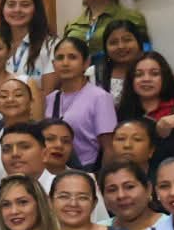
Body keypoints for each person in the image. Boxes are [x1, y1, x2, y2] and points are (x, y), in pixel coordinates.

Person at [42, 37, 118, 169]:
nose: (65, 63)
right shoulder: (50, 99)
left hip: (87, 171)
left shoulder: (100, 97)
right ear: (53, 64)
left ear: (86, 62)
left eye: (72, 57)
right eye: (60, 58)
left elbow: (109, 148)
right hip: (54, 171)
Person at [0, 0, 58, 83]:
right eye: (11, 5)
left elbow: (48, 91)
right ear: (2, 9)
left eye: (25, 5)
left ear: (36, 9)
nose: (17, 10)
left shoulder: (51, 45)